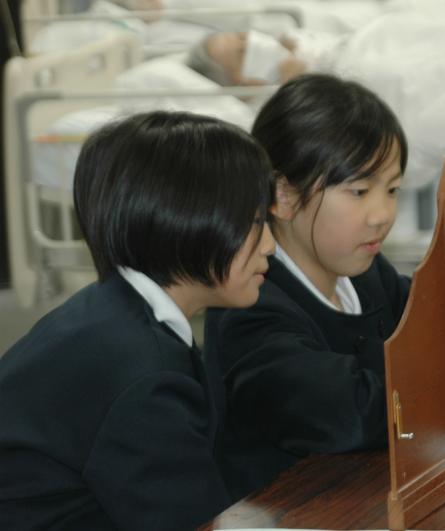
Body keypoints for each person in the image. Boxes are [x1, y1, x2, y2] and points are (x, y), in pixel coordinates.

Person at [0, 110, 275, 530]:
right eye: (255, 223)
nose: (269, 244)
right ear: (185, 221)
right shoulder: (140, 373)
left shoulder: (112, 311)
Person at [204, 73, 411, 494]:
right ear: (283, 195)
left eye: (392, 190)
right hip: (292, 511)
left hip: (370, 494)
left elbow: (438, 313)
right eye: (359, 191)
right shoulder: (249, 309)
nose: (382, 215)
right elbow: (350, 415)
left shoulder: (365, 270)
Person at [186, 30, 307, 87]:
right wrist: (294, 86)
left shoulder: (294, 38)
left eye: (241, 37)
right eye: (241, 53)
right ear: (239, 84)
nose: (250, 43)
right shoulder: (279, 110)